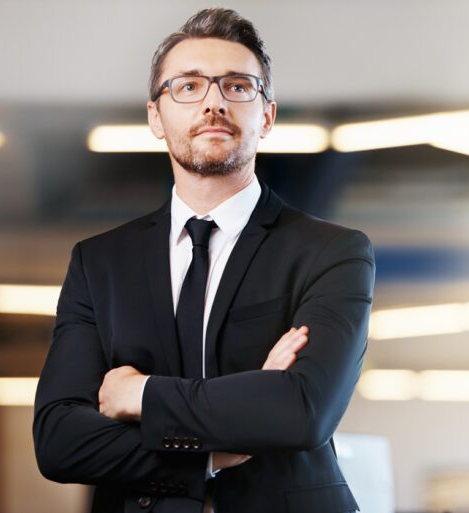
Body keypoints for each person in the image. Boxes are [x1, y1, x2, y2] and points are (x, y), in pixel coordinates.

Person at [32, 8, 374, 513]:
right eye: (188, 87)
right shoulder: (98, 263)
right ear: (155, 116)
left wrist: (142, 395)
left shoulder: (332, 252)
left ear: (267, 115)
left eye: (237, 86)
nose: (213, 103)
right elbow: (59, 440)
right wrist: (215, 450)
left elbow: (302, 412)